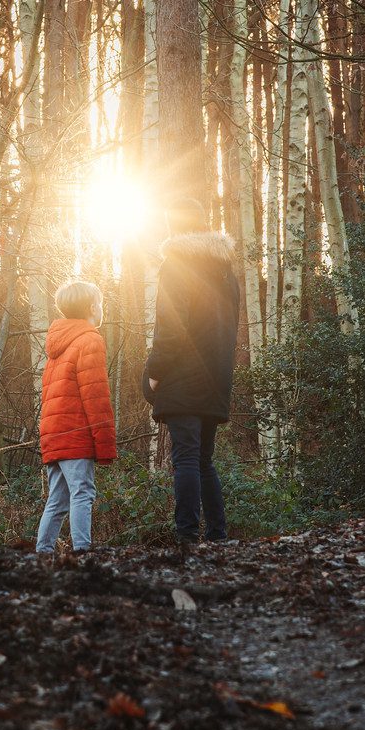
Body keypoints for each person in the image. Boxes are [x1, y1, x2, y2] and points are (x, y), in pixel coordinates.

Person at [142, 200, 240, 547]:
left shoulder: (176, 265)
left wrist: (154, 373)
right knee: (203, 460)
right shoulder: (226, 271)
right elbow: (230, 330)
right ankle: (217, 535)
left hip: (183, 378)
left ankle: (186, 535)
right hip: (216, 378)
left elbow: (171, 327)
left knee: (184, 456)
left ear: (173, 227)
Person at [36, 279, 116, 555]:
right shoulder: (89, 340)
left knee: (58, 500)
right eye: (101, 303)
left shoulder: (56, 346)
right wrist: (104, 442)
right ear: (93, 307)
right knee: (83, 493)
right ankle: (82, 550)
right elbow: (95, 397)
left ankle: (43, 552)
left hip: (54, 434)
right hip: (75, 434)